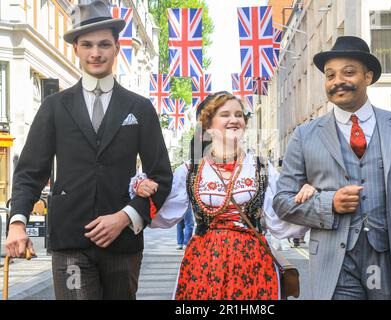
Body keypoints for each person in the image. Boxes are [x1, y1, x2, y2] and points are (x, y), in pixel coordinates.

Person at [5, 1, 172, 300]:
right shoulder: (54, 107)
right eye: (88, 45)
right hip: (71, 239)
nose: (96, 52)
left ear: (117, 48)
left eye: (104, 44)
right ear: (76, 50)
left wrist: (125, 216)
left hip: (123, 243)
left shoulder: (140, 108)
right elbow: (30, 172)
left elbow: (162, 177)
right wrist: (18, 222)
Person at [273, 36, 391, 300]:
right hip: (335, 262)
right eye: (330, 75)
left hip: (390, 259)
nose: (337, 81)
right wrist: (329, 203)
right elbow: (282, 202)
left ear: (368, 77)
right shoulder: (305, 135)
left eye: (348, 72)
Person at [134, 91, 310, 300]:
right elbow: (161, 212)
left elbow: (282, 215)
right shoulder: (191, 170)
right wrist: (142, 188)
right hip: (203, 265)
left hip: (253, 265)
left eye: (238, 114)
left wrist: (305, 197)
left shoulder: (261, 167)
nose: (234, 120)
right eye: (225, 115)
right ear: (207, 125)